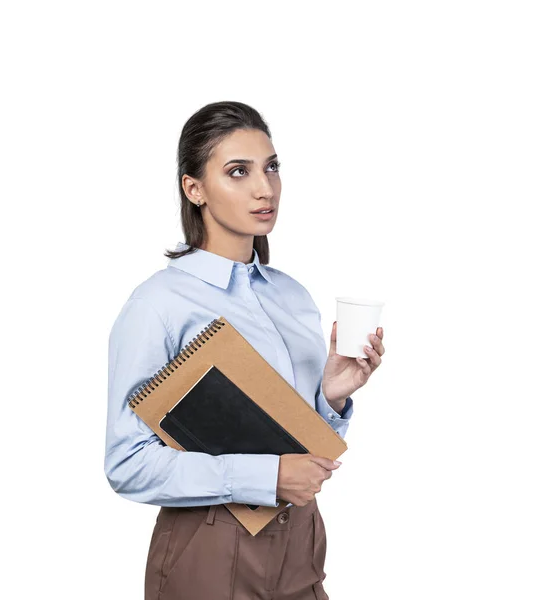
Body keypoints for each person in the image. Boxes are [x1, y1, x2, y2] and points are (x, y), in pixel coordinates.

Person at [104, 101, 385, 599]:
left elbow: (303, 445)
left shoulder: (291, 296)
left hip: (301, 540)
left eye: (271, 167)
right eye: (239, 172)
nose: (265, 188)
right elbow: (127, 463)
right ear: (195, 190)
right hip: (208, 544)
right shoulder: (160, 304)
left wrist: (332, 397)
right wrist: (267, 475)